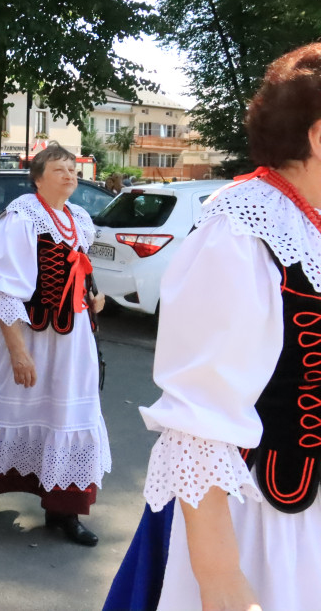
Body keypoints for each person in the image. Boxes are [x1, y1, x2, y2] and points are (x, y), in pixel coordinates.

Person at [103, 44, 321, 611]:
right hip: (263, 524)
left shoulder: (311, 226)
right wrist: (222, 580)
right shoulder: (241, 230)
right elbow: (200, 414)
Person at [0, 143, 110, 547]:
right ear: (37, 177)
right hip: (29, 334)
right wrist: (17, 352)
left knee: (68, 413)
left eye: (73, 169)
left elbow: (79, 271)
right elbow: (4, 288)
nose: (70, 175)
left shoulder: (80, 218)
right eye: (59, 169)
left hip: (73, 338)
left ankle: (64, 510)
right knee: (5, 405)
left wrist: (94, 295)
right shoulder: (22, 217)